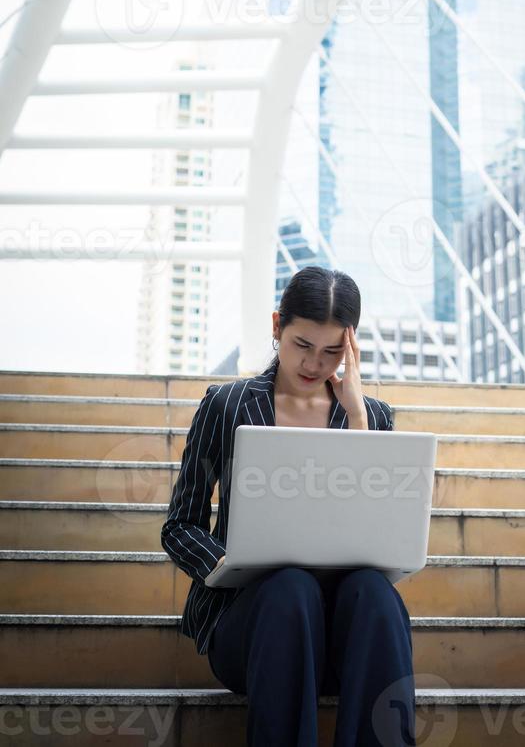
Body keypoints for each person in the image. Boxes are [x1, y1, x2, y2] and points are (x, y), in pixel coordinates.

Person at [161, 265, 416, 746]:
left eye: (333, 352)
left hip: (344, 639)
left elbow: (379, 530)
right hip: (256, 627)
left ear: (352, 346)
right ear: (277, 326)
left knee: (376, 595)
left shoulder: (373, 416)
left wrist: (357, 417)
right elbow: (180, 525)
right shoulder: (228, 405)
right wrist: (228, 564)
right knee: (290, 587)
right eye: (302, 345)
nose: (315, 365)